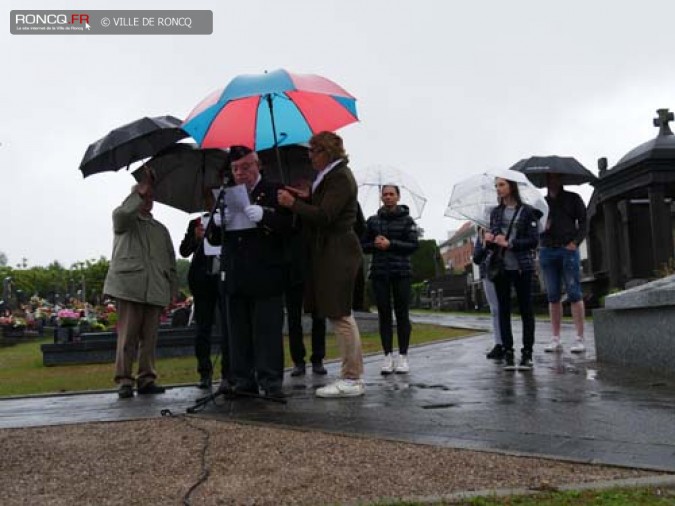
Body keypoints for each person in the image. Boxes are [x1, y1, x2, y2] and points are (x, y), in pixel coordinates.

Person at [277, 131, 365, 398]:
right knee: (339, 314)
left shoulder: (339, 177)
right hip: (331, 250)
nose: (310, 156)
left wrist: (294, 204)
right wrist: (307, 196)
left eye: (314, 151)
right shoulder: (331, 177)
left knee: (340, 314)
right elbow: (324, 207)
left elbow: (326, 216)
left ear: (327, 152)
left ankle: (351, 378)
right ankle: (351, 375)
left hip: (338, 250)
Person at [210, 146, 292, 399]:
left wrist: (266, 216)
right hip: (236, 272)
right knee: (238, 331)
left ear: (258, 166)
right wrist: (216, 224)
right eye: (235, 168)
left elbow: (289, 227)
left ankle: (270, 380)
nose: (240, 173)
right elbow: (215, 239)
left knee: (267, 329)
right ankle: (243, 379)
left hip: (266, 272)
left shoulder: (274, 190)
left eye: (246, 167)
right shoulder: (226, 194)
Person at [103, 169, 177, 399]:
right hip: (129, 287)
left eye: (150, 198)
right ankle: (124, 380)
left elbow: (170, 262)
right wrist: (139, 190)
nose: (148, 202)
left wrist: (172, 291)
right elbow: (122, 215)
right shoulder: (124, 220)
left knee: (150, 339)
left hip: (155, 289)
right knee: (127, 338)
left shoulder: (160, 230)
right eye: (144, 197)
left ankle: (147, 378)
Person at [361, 185, 419, 374]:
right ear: (381, 197)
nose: (388, 197)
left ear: (398, 196)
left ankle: (403, 356)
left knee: (402, 314)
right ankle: (387, 356)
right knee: (384, 315)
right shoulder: (373, 221)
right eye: (385, 194)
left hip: (401, 272)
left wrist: (391, 244)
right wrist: (375, 244)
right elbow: (363, 245)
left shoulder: (407, 220)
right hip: (379, 273)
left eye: (391, 194)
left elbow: (412, 245)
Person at [485, 177, 539, 371]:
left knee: (526, 310)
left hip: (522, 267)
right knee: (503, 310)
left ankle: (527, 354)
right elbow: (493, 240)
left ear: (512, 186)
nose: (498, 189)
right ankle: (508, 352)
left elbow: (533, 240)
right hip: (501, 266)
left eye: (502, 185)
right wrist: (489, 240)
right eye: (496, 186)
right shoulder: (495, 212)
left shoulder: (527, 211)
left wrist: (511, 244)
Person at [179, 188, 230, 389]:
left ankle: (229, 372)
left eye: (214, 197)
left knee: (227, 326)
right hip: (202, 280)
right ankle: (204, 372)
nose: (210, 201)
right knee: (203, 328)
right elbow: (184, 250)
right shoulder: (196, 222)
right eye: (207, 198)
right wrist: (195, 238)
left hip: (224, 277)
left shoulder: (227, 219)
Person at [539, 173, 587, 353]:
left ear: (560, 180)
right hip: (547, 251)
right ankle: (555, 338)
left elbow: (583, 221)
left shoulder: (573, 199)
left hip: (568, 250)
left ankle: (580, 338)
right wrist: (543, 229)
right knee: (552, 295)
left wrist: (575, 243)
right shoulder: (541, 204)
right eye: (549, 179)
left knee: (574, 293)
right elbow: (533, 227)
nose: (552, 182)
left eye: (555, 178)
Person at [472, 227, 503, 359]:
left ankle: (507, 343)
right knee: (495, 309)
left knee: (503, 308)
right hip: (488, 274)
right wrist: (485, 245)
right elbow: (476, 258)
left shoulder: (502, 229)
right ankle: (499, 343)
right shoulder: (480, 236)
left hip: (503, 271)